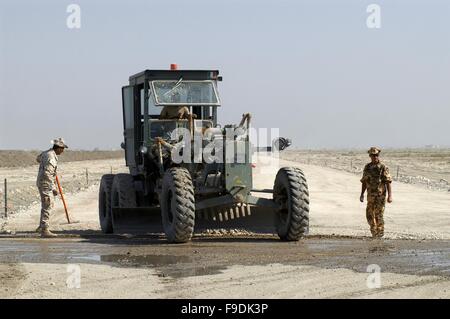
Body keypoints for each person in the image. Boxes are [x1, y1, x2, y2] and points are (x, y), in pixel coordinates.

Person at [35, 138, 68, 238]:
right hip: (46, 183)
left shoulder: (46, 153)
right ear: (58, 148)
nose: (63, 151)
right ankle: (45, 229)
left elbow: (38, 159)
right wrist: (53, 188)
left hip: (42, 182)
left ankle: (41, 226)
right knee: (48, 204)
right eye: (62, 149)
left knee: (45, 204)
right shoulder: (51, 157)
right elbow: (47, 174)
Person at [360, 147, 393, 238]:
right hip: (370, 196)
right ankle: (374, 232)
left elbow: (388, 182)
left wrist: (389, 196)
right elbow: (364, 181)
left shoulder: (383, 167)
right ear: (370, 156)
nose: (375, 157)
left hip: (380, 196)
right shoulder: (367, 167)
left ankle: (380, 233)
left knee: (379, 215)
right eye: (373, 155)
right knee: (369, 215)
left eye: (376, 155)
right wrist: (362, 194)